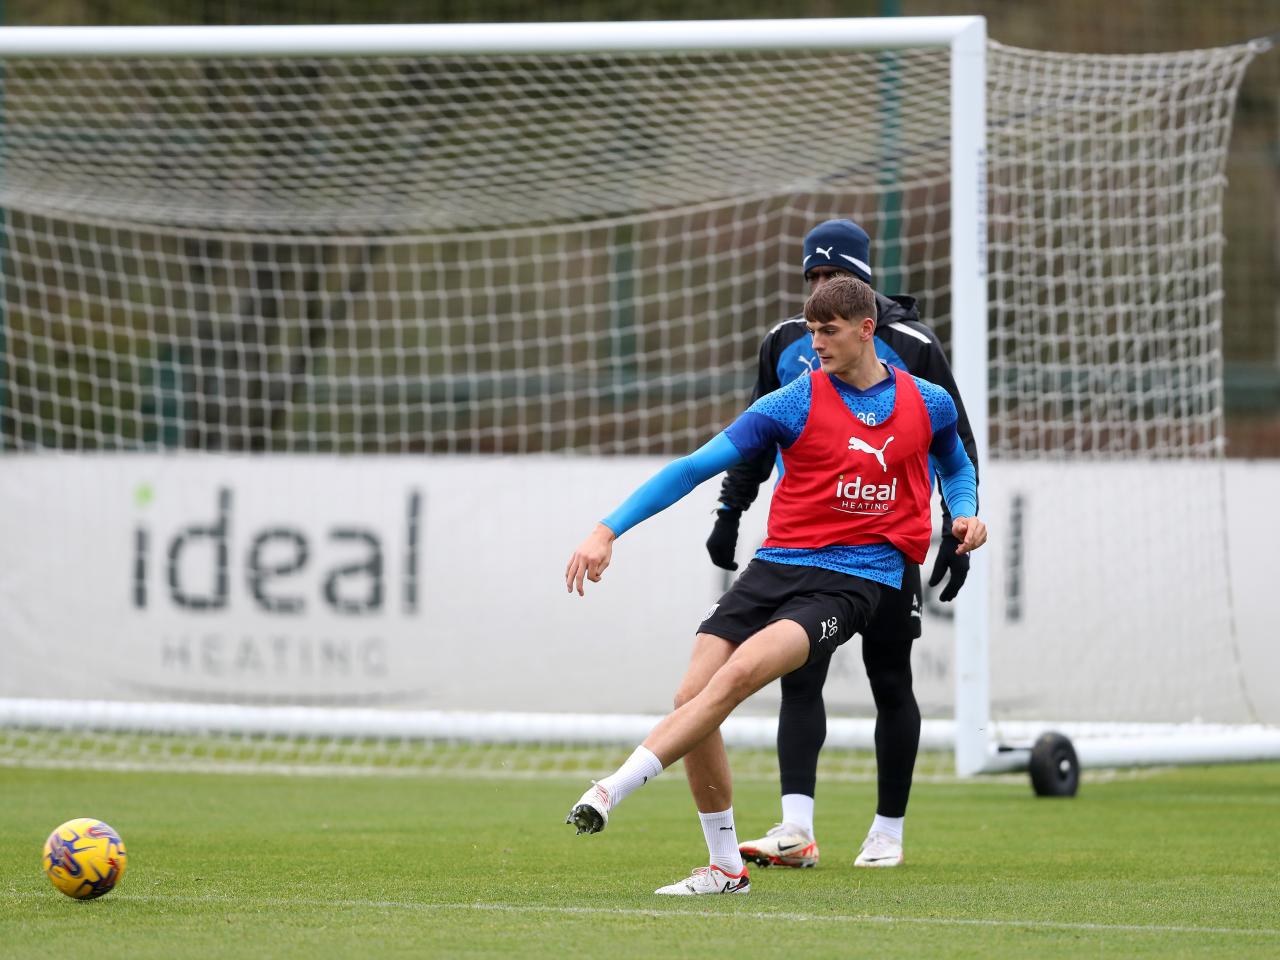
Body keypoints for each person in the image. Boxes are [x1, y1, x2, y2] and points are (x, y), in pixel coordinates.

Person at [563, 275, 985, 895]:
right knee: (692, 696)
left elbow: (953, 460)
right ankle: (725, 868)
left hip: (856, 580)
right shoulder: (793, 400)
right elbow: (692, 469)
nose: (815, 344)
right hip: (776, 567)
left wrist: (966, 509)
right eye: (811, 331)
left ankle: (609, 789)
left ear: (866, 329)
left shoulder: (929, 400)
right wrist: (607, 529)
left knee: (736, 680)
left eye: (828, 331)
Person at [710, 219, 979, 871]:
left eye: (836, 277)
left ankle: (887, 831)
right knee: (800, 677)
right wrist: (729, 512)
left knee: (892, 679)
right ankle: (795, 829)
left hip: (885, 551)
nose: (824, 287)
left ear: (863, 282)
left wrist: (959, 525)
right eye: (814, 277)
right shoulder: (787, 342)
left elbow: (955, 444)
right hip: (808, 548)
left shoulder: (912, 345)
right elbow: (755, 439)